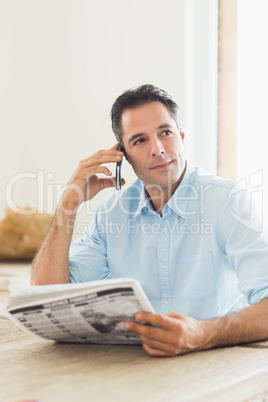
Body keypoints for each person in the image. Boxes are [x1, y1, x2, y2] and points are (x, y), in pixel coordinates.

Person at [32, 84, 268, 357]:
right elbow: (47, 300)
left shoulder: (229, 201)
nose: (157, 149)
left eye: (165, 133)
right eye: (140, 140)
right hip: (132, 364)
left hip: (213, 359)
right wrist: (68, 203)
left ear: (181, 136)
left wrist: (202, 334)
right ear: (124, 156)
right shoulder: (111, 214)